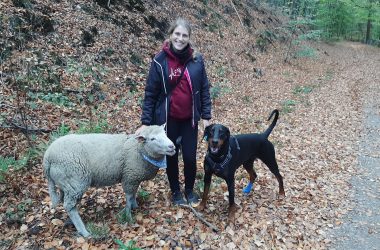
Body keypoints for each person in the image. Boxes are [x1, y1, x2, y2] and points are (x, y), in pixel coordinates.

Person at [135, 17, 212, 205]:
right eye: (177, 34)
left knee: (190, 158)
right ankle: (176, 192)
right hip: (167, 120)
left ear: (189, 38)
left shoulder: (196, 60)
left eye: (184, 35)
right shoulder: (160, 61)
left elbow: (204, 88)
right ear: (170, 35)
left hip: (189, 120)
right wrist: (146, 122)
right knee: (171, 156)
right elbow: (151, 93)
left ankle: (189, 191)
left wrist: (207, 116)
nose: (180, 38)